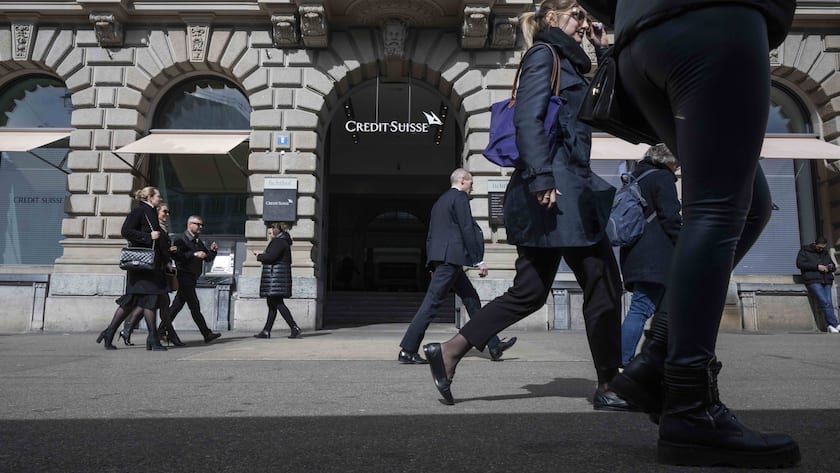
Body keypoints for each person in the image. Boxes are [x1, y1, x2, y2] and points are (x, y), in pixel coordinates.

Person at [581, 0, 801, 467]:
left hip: (643, 41)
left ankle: (653, 361)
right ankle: (689, 406)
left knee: (750, 205)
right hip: (715, 17)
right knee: (719, 210)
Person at [422, 1, 629, 411]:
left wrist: (604, 51)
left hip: (563, 190)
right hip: (557, 191)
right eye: (576, 15)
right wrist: (541, 178)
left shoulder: (571, 64)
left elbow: (607, 107)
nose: (584, 23)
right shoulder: (544, 55)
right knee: (603, 283)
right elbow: (528, 120)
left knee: (530, 291)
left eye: (586, 18)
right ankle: (609, 384)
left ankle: (449, 351)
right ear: (551, 18)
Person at [398, 168, 517, 365]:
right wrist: (478, 259)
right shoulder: (460, 198)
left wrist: (431, 262)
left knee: (472, 301)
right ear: (462, 180)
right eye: (471, 182)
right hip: (450, 261)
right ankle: (408, 349)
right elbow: (467, 229)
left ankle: (494, 345)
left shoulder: (439, 202)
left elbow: (431, 235)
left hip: (444, 260)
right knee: (431, 305)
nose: (473, 186)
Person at [618, 144, 681, 366]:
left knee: (661, 308)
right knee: (641, 307)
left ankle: (658, 358)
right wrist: (683, 244)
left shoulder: (635, 177)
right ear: (667, 160)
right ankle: (622, 360)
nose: (677, 168)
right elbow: (671, 217)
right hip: (655, 257)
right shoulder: (662, 178)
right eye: (676, 163)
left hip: (635, 254)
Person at [96, 187, 178, 351]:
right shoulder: (139, 211)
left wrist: (167, 259)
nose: (160, 199)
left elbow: (159, 240)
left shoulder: (152, 212)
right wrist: (148, 237)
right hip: (141, 265)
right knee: (148, 300)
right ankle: (153, 339)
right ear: (149, 197)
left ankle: (110, 332)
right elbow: (126, 231)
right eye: (158, 196)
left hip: (151, 265)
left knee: (133, 301)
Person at [119, 202, 180, 346]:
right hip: (152, 271)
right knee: (153, 304)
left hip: (160, 271)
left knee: (157, 304)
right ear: (157, 212)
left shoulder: (162, 228)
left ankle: (130, 331)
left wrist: (169, 253)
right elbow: (130, 234)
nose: (167, 215)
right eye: (164, 211)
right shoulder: (152, 227)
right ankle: (160, 336)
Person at [164, 215, 222, 343]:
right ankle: (206, 333)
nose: (200, 227)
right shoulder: (181, 240)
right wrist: (194, 254)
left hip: (192, 277)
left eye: (201, 225)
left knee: (176, 307)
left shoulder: (197, 241)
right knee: (194, 306)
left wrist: (213, 252)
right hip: (184, 276)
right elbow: (178, 257)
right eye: (198, 224)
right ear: (190, 224)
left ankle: (160, 331)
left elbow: (206, 257)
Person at [253, 222, 301, 339]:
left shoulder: (278, 241)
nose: (270, 231)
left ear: (276, 230)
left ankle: (294, 327)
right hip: (276, 278)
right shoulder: (282, 241)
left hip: (275, 278)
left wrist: (259, 256)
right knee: (272, 304)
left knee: (278, 303)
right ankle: (266, 331)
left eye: (271, 228)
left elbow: (271, 257)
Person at [797, 236, 840, 333]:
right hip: (813, 280)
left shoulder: (825, 253)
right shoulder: (805, 251)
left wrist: (830, 267)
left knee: (829, 302)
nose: (821, 249)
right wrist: (817, 267)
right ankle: (834, 324)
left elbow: (833, 266)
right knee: (824, 301)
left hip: (826, 280)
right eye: (819, 247)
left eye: (823, 247)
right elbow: (799, 264)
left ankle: (830, 325)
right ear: (815, 244)